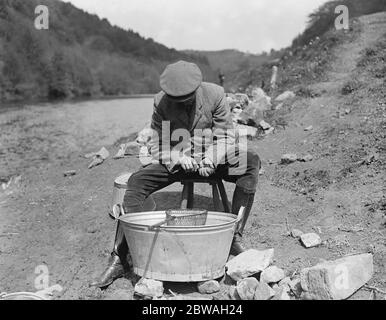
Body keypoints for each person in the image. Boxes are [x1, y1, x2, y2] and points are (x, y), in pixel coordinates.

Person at [90, 61, 261, 288]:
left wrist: (210, 158)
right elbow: (157, 145)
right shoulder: (160, 101)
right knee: (136, 181)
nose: (182, 104)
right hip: (179, 160)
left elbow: (226, 136)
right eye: (176, 100)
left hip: (213, 158)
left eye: (187, 99)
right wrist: (179, 157)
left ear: (197, 89)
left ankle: (234, 237)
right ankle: (120, 257)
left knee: (250, 163)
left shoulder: (216, 94)